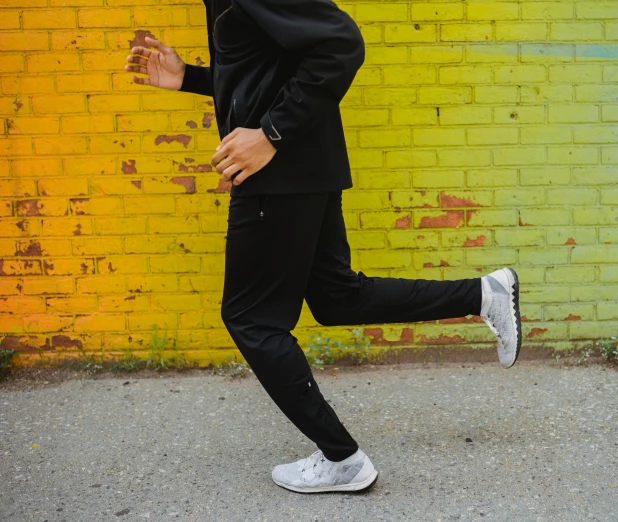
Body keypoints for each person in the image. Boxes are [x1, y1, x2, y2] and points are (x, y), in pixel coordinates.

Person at [125, 0, 523, 494]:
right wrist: (191, 78)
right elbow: (269, 69)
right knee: (338, 298)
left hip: (280, 177)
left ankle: (343, 459)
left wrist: (271, 135)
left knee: (252, 319)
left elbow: (342, 43)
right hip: (301, 170)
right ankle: (484, 294)